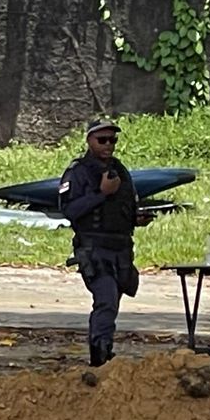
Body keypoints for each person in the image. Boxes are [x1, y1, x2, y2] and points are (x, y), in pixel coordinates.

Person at [58, 118, 152, 366]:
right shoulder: (78, 172)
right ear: (89, 140)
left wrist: (137, 218)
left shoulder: (120, 170)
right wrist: (101, 193)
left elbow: (126, 205)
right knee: (106, 300)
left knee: (113, 302)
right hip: (94, 249)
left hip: (120, 249)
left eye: (113, 140)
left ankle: (105, 351)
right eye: (102, 140)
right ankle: (99, 358)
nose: (108, 145)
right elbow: (70, 210)